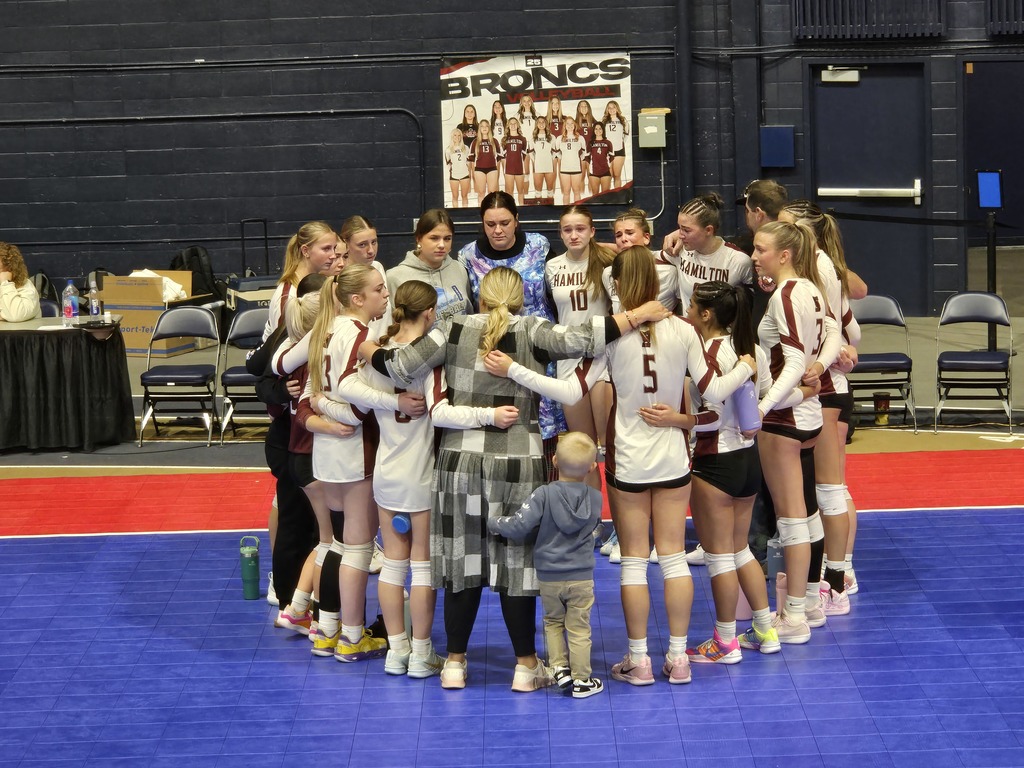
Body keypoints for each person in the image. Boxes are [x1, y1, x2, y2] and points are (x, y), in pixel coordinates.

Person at [362, 266, 670, 691]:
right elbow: (581, 338)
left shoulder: (452, 329)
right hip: (519, 461)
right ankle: (526, 667)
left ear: (480, 296)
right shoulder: (533, 328)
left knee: (461, 565)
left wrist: (367, 350)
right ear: (522, 296)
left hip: (459, 464)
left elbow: (400, 365)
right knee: (517, 568)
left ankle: (453, 664)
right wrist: (636, 316)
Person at [490, 249, 755, 686]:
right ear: (656, 281)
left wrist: (515, 369)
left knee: (633, 561)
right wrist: (745, 365)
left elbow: (566, 389)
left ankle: (639, 661)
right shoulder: (685, 330)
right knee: (672, 559)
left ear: (617, 286)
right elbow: (714, 390)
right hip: (673, 457)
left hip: (629, 462)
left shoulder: (611, 336)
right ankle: (678, 657)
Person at [354, 280, 519, 678]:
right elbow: (441, 412)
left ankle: (397, 651)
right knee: (423, 567)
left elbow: (351, 393)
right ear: (430, 314)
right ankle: (422, 653)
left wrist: (389, 401)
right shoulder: (430, 359)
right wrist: (488, 416)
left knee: (393, 565)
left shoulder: (375, 351)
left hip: (387, 473)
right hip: (424, 476)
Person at [679, 282, 811, 660]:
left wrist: (679, 421)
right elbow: (765, 402)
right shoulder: (750, 351)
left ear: (706, 314)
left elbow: (711, 417)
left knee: (719, 556)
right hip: (748, 461)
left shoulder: (703, 353)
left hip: (714, 464)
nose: (687, 310)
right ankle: (764, 632)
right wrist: (807, 392)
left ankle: (724, 642)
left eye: (691, 305)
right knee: (740, 551)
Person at [304, 265, 426, 662]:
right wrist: (384, 405)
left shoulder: (325, 328)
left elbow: (313, 390)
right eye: (378, 290)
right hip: (354, 448)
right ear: (357, 298)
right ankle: (351, 637)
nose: (385, 296)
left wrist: (322, 411)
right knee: (357, 549)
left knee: (340, 543)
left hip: (328, 448)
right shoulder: (358, 334)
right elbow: (346, 388)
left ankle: (329, 629)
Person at [752, 220, 840, 644]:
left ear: (784, 254)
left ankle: (795, 617)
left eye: (761, 249)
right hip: (806, 414)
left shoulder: (787, 295)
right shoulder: (810, 288)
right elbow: (834, 334)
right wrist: (820, 370)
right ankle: (810, 605)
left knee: (791, 521)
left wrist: (763, 407)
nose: (755, 256)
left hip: (783, 419)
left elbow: (790, 361)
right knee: (805, 512)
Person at [780, 200, 866, 613]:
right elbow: (848, 327)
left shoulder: (817, 269)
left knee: (827, 488)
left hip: (822, 387)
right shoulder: (808, 269)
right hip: (821, 382)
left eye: (784, 227)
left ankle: (832, 581)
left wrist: (825, 359)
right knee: (824, 488)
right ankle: (830, 580)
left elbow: (844, 328)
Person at [487, 432, 605, 699]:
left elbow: (518, 526)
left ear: (553, 461)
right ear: (591, 467)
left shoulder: (543, 494)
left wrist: (494, 522)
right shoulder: (596, 499)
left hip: (549, 575)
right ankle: (582, 679)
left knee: (552, 622)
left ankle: (558, 668)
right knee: (579, 627)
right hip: (582, 576)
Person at [457, 191, 565, 471]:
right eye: (490, 224)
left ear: (516, 220)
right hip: (493, 350)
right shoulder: (468, 255)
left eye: (504, 222)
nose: (497, 230)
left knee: (545, 426)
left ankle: (545, 496)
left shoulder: (538, 246)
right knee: (503, 422)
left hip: (537, 347)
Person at [544, 204, 615, 487]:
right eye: (567, 230)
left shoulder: (608, 260)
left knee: (608, 446)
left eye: (580, 229)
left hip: (601, 356)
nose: (574, 235)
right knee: (583, 448)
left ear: (592, 231)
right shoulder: (552, 266)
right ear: (560, 233)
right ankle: (592, 521)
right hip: (567, 358)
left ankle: (621, 523)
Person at [659, 193, 755, 309]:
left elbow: (753, 303)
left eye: (686, 230)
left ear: (708, 230)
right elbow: (646, 259)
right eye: (679, 228)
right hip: (688, 325)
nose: (680, 235)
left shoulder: (738, 260)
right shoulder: (679, 250)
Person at [387, 208, 471, 324]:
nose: (442, 245)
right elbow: (393, 325)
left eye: (447, 238)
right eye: (434, 238)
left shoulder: (458, 269)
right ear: (419, 239)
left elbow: (469, 313)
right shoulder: (395, 277)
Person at [0, 243, 41, 322]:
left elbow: (15, 315)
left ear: (9, 269)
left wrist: (6, 282)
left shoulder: (26, 287)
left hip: (23, 334)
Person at [556, 116, 587, 205]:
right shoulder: (559, 138)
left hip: (576, 168)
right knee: (566, 192)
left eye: (572, 123)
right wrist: (563, 158)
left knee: (576, 191)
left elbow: (584, 152)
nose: (570, 125)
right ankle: (565, 211)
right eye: (567, 123)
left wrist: (580, 158)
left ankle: (577, 211)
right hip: (564, 169)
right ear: (565, 126)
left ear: (575, 125)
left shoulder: (580, 138)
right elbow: (556, 152)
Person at [601, 100, 629, 188]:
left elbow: (626, 135)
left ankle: (618, 197)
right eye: (609, 108)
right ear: (607, 109)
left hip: (619, 151)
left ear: (617, 108)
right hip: (607, 152)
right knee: (608, 176)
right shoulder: (604, 121)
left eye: (613, 107)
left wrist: (619, 143)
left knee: (617, 175)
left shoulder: (623, 120)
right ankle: (608, 198)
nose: (612, 109)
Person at [501, 118, 529, 205]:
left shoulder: (523, 139)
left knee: (521, 191)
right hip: (509, 169)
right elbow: (503, 157)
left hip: (519, 169)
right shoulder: (504, 139)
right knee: (509, 192)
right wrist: (504, 171)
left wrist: (526, 170)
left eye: (515, 123)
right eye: (511, 124)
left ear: (518, 125)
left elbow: (524, 155)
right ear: (508, 126)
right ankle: (511, 210)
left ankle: (522, 209)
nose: (513, 125)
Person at [529, 116, 557, 202]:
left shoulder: (552, 137)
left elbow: (554, 152)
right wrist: (535, 161)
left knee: (550, 192)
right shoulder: (533, 137)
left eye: (543, 122)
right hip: (538, 166)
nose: (541, 124)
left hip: (548, 166)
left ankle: (551, 212)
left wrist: (550, 160)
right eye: (539, 122)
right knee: (538, 193)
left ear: (546, 124)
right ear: (536, 124)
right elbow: (531, 153)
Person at [470, 119, 500, 200]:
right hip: (479, 169)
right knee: (481, 193)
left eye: (486, 126)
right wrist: (473, 172)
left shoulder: (494, 141)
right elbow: (471, 159)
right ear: (479, 128)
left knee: (492, 193)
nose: (484, 128)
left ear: (489, 128)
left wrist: (498, 170)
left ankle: (492, 212)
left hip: (492, 169)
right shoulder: (475, 142)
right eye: (482, 126)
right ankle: (481, 211)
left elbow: (499, 158)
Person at [445, 128, 471, 208]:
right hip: (454, 176)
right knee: (455, 197)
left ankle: (465, 213)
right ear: (452, 136)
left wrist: (469, 175)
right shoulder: (448, 150)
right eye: (455, 135)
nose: (457, 137)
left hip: (465, 175)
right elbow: (448, 164)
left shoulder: (466, 148)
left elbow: (468, 163)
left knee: (464, 196)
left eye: (459, 135)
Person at [586, 122, 613, 197]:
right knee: (595, 197)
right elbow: (587, 160)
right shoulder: (590, 143)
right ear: (593, 131)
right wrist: (588, 175)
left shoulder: (608, 143)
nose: (598, 130)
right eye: (596, 129)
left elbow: (612, 159)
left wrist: (611, 172)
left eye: (600, 128)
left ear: (603, 130)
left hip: (606, 172)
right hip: (593, 173)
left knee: (606, 196)